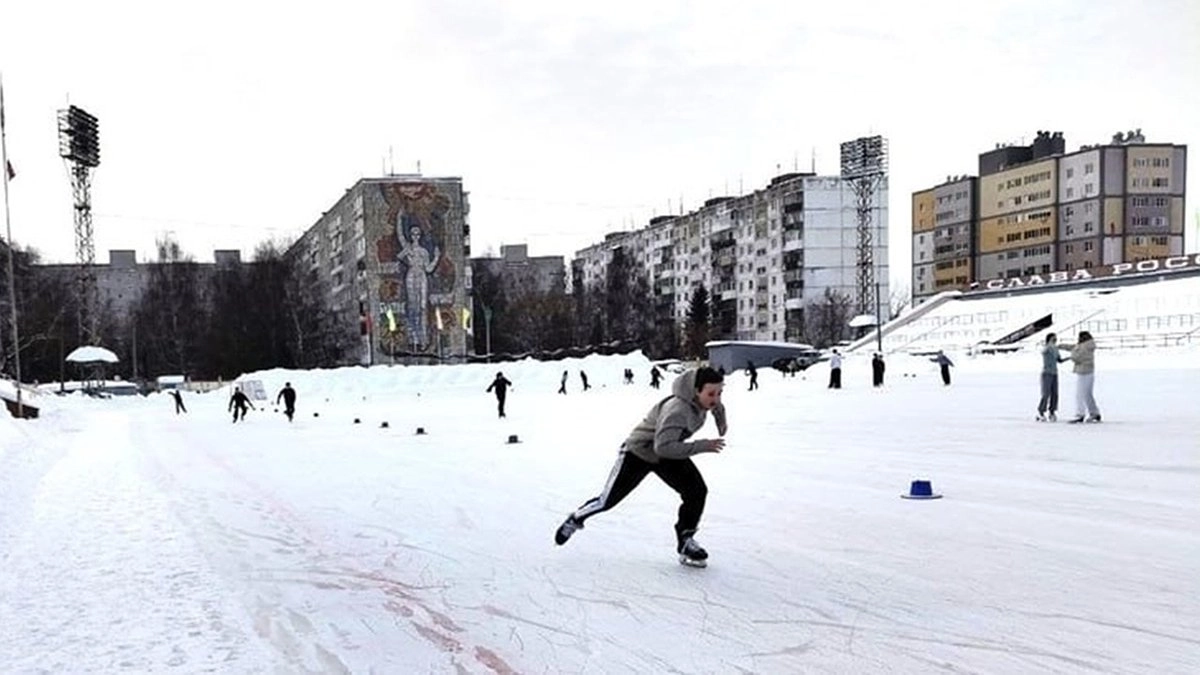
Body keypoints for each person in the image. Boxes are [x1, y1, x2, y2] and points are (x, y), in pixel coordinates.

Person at [553, 366, 728, 567]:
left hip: (666, 450)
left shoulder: (704, 401)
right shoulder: (678, 410)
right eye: (711, 394)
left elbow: (718, 407)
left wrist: (721, 421)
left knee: (696, 491)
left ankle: (686, 541)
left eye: (720, 392)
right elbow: (663, 447)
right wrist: (702, 445)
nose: (716, 398)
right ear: (696, 391)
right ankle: (576, 518)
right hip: (638, 452)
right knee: (607, 501)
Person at [1062, 331, 1101, 423]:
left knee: (1080, 394)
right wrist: (1062, 346)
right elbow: (1074, 348)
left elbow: (1077, 356)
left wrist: (1069, 357)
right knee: (1087, 394)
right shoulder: (1087, 345)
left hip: (1083, 372)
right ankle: (1094, 413)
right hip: (1087, 372)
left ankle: (1080, 414)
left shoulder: (1085, 347)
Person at [1036, 334, 1066, 421]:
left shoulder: (1055, 348)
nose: (1055, 339)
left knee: (1055, 394)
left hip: (1054, 373)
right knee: (1046, 394)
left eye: (1056, 338)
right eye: (1053, 338)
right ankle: (1041, 411)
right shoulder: (1047, 347)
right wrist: (1048, 345)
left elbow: (1059, 360)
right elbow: (1043, 351)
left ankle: (1052, 411)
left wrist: (1070, 358)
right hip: (1046, 373)